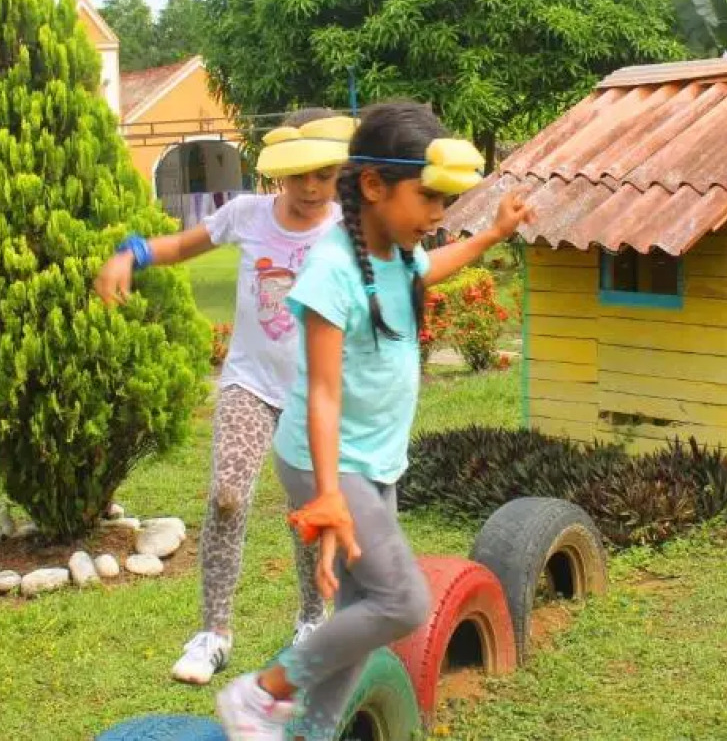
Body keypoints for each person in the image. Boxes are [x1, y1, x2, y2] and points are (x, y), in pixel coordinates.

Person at [213, 101, 531, 741]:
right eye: (428, 198)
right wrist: (329, 497)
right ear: (373, 186)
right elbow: (322, 394)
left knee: (361, 609)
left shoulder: (391, 251)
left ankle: (309, 732)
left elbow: (431, 268)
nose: (438, 215)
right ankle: (262, 692)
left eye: (445, 201)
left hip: (372, 460)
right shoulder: (332, 268)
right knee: (404, 601)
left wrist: (491, 236)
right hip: (326, 461)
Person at [97, 109, 354, 685]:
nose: (311, 188)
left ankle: (312, 621)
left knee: (309, 515)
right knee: (227, 498)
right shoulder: (247, 215)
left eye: (325, 173)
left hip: (314, 396)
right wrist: (128, 253)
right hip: (250, 385)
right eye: (300, 175)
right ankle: (214, 632)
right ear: (278, 173)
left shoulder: (347, 228)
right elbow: (181, 246)